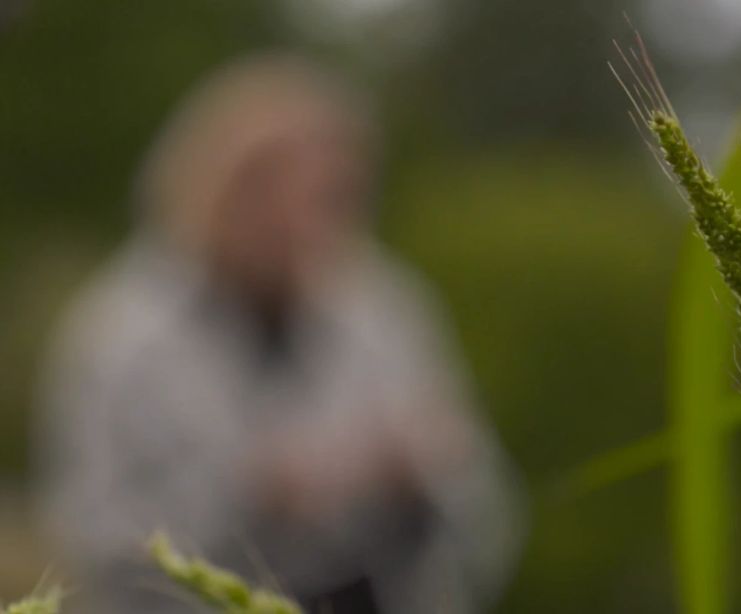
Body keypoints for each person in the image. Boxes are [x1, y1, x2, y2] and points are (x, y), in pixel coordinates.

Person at [34, 52, 524, 614]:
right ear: (208, 187)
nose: (297, 221)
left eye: (328, 196)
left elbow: (488, 517)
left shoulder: (389, 312)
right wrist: (249, 499)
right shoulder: (117, 337)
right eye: (267, 190)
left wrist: (418, 485)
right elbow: (86, 540)